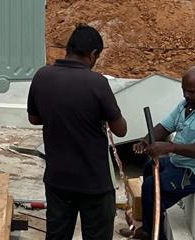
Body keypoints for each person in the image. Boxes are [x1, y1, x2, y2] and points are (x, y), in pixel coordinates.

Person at [27, 24, 127, 240]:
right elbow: (120, 130)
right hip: (94, 183)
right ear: (92, 55)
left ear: (68, 48)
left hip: (57, 179)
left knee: (57, 235)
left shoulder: (42, 76)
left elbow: (34, 118)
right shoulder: (97, 83)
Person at [128, 66, 195, 240]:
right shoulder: (186, 105)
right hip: (181, 162)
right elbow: (165, 126)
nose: (186, 95)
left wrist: (170, 148)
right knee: (148, 167)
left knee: (152, 187)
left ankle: (154, 235)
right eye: (184, 90)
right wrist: (145, 141)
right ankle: (148, 226)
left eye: (192, 92)